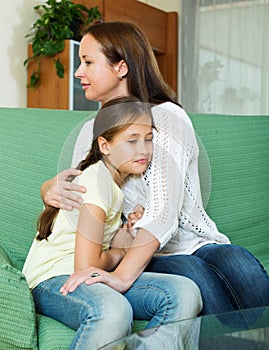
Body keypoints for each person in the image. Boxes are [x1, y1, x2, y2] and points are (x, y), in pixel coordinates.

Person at [41, 21, 269, 320]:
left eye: (87, 62)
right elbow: (86, 199)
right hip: (137, 251)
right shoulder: (88, 132)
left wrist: (121, 277)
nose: (78, 72)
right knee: (190, 271)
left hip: (190, 242)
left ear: (121, 67)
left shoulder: (167, 117)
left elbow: (165, 213)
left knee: (237, 261)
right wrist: (49, 191)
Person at [23, 96, 202, 350]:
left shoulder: (115, 186)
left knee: (184, 292)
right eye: (132, 141)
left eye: (148, 139)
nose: (144, 150)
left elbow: (96, 242)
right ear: (105, 146)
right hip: (52, 278)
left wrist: (126, 232)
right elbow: (86, 265)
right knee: (113, 310)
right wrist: (119, 253)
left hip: (85, 275)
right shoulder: (97, 181)